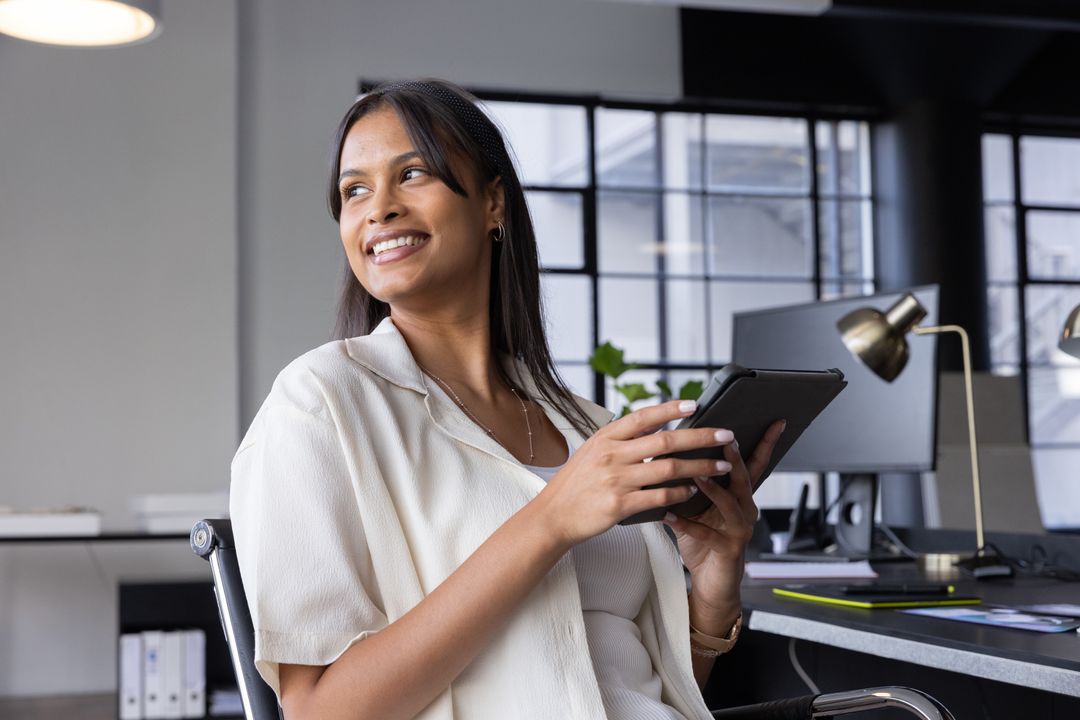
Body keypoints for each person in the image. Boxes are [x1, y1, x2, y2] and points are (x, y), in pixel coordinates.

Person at [230, 79, 785, 720]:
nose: (378, 208)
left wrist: (714, 586)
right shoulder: (321, 402)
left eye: (412, 174)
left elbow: (640, 683)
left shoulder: (590, 428)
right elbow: (316, 712)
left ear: (493, 202)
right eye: (354, 190)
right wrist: (550, 520)